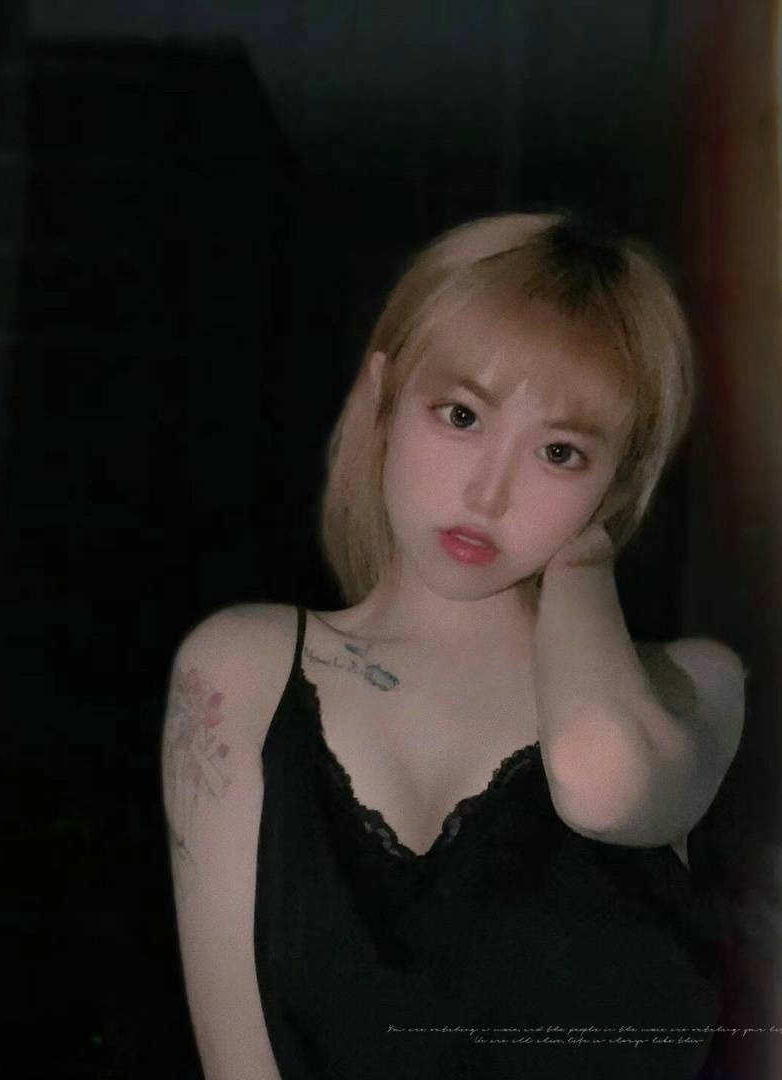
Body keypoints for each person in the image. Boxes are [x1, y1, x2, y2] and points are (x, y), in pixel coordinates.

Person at [162, 212, 747, 1079]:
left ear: (618, 481)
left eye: (559, 452)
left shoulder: (691, 687)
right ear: (383, 399)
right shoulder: (245, 669)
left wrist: (584, 555)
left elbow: (602, 783)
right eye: (462, 414)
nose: (489, 491)